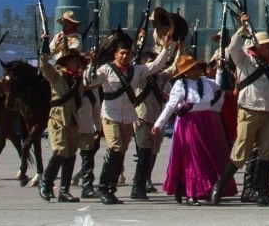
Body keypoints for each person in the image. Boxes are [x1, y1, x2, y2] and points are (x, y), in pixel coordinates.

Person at [91, 28, 175, 205]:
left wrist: (166, 48)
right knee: (115, 148)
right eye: (122, 53)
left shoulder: (136, 70)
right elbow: (89, 81)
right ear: (115, 54)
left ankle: (110, 188)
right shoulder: (105, 70)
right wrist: (91, 65)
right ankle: (104, 187)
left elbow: (156, 66)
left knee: (121, 151)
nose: (125, 56)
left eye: (127, 53)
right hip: (111, 114)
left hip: (129, 116)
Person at [157, 53, 236, 203]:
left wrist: (220, 70)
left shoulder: (206, 82)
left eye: (196, 68)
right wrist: (159, 124)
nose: (196, 71)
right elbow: (170, 106)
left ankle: (205, 189)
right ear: (185, 72)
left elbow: (220, 87)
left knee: (207, 157)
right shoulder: (180, 86)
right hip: (189, 124)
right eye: (192, 69)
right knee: (193, 158)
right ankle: (191, 192)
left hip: (207, 123)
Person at [227, 23, 269, 205]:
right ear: (256, 46)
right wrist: (242, 29)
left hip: (268, 113)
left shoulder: (268, 67)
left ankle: (264, 195)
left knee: (267, 154)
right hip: (249, 110)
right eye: (265, 45)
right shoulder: (244, 61)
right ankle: (219, 186)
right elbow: (233, 47)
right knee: (241, 153)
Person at [37, 41, 95, 203]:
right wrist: (44, 48)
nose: (76, 63)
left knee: (70, 155)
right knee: (60, 151)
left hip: (73, 120)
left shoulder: (80, 80)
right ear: (66, 62)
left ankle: (64, 191)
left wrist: (93, 60)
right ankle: (46, 183)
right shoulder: (57, 76)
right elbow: (44, 66)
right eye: (72, 60)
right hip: (58, 119)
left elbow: (93, 78)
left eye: (78, 61)